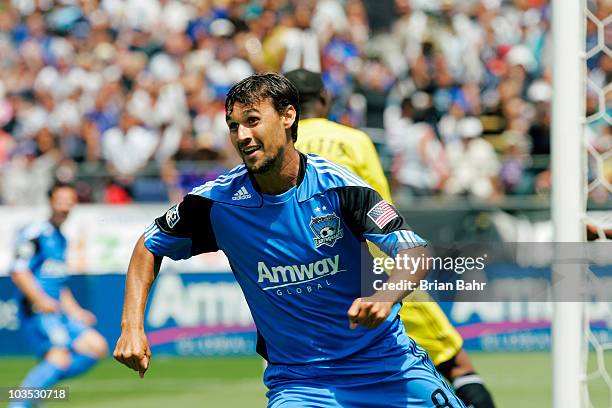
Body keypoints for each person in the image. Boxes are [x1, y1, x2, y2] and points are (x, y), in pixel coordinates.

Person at [114, 73, 465, 407]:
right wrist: (131, 327)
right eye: (233, 126)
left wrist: (386, 296)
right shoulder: (215, 204)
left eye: (252, 120)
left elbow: (415, 251)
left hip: (387, 365)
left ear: (287, 116)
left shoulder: (339, 187)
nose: (242, 135)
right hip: (301, 384)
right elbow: (149, 243)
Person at [285, 68, 495, 408]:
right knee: (455, 362)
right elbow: (380, 212)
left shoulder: (279, 149)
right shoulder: (353, 141)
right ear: (325, 99)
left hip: (305, 283)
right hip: (375, 274)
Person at [9, 182, 108, 408]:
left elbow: (59, 283)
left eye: (69, 202)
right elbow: (18, 270)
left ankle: (36, 390)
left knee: (96, 346)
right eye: (60, 201)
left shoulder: (62, 239)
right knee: (59, 357)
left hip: (58, 311)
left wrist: (76, 311)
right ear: (51, 202)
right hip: (37, 310)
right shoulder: (35, 233)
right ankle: (19, 403)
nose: (65, 207)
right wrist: (40, 300)